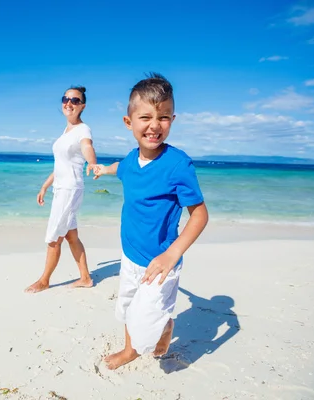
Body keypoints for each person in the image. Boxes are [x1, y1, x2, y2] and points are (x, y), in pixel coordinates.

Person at [90, 73, 209, 369]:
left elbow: (200, 214)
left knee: (147, 325)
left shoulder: (178, 165)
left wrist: (172, 254)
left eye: (164, 117)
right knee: (129, 308)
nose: (155, 125)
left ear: (172, 119)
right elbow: (122, 168)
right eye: (146, 117)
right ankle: (135, 345)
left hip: (160, 263)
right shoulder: (131, 160)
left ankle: (154, 335)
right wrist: (103, 170)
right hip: (129, 256)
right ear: (129, 122)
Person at [25, 86, 98, 294]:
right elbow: (61, 166)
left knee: (53, 238)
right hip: (61, 188)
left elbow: (87, 147)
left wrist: (92, 163)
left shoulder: (83, 130)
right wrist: (45, 186)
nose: (69, 103)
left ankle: (44, 280)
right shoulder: (66, 132)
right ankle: (85, 278)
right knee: (71, 236)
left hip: (69, 190)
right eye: (66, 99)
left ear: (82, 106)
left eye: (75, 100)